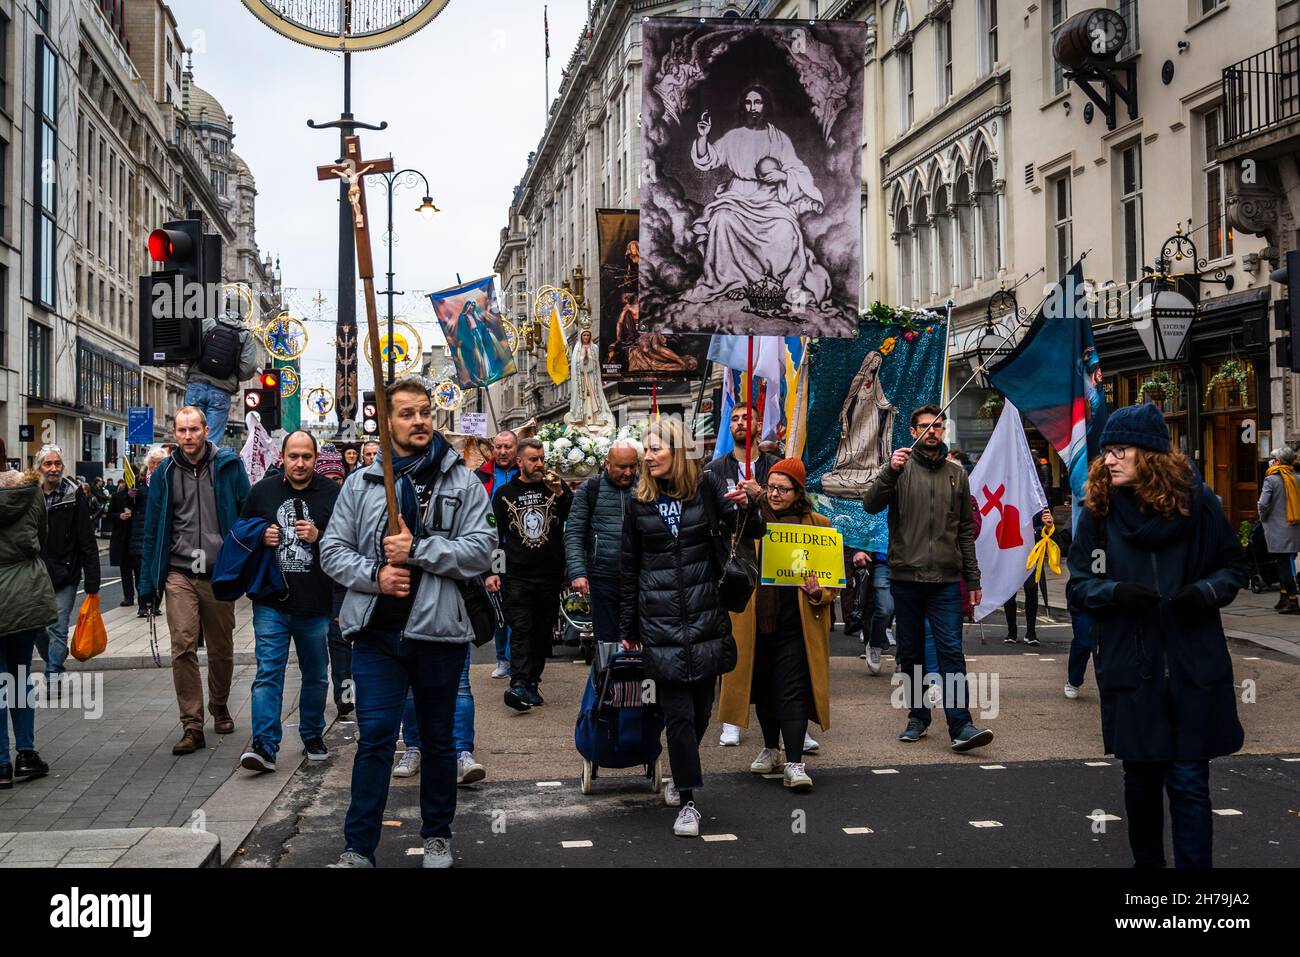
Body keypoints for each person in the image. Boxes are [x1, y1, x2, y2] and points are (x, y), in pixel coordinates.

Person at [319, 377, 495, 869]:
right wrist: (376, 574)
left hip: (439, 634)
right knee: (374, 738)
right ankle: (358, 848)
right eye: (407, 413)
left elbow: (481, 551)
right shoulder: (361, 483)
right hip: (376, 635)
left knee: (439, 740)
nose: (419, 421)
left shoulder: (461, 479)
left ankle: (437, 834)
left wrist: (419, 551)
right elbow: (332, 552)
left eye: (424, 412)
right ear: (387, 421)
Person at [1067, 403, 1248, 868]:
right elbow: (1080, 584)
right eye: (1106, 450)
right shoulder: (1098, 514)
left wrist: (1203, 593)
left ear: (1149, 454)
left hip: (1192, 663)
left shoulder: (1199, 504)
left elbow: (1234, 566)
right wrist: (1114, 592)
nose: (1109, 459)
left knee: (1189, 782)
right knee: (1141, 784)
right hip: (1133, 664)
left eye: (1120, 449)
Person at [619, 417, 760, 837]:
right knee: (678, 714)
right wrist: (628, 626)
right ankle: (688, 800)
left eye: (655, 448)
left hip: (705, 616)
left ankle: (678, 764)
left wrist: (750, 503)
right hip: (659, 622)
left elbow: (752, 532)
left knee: (700, 713)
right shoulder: (638, 501)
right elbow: (628, 567)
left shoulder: (708, 488)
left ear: (677, 450)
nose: (648, 456)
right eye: (646, 449)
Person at [863, 404, 993, 753]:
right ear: (912, 431)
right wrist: (889, 472)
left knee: (951, 651)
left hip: (947, 581)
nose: (930, 431)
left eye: (936, 425)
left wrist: (974, 579)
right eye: (924, 426)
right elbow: (870, 504)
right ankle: (918, 717)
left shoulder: (957, 474)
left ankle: (961, 724)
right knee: (911, 651)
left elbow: (965, 530)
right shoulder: (898, 468)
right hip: (906, 577)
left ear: (944, 430)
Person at [138, 407, 251, 756]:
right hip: (179, 572)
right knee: (183, 645)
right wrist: (147, 585)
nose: (188, 437)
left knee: (221, 647)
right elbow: (153, 530)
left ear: (206, 430)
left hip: (219, 573)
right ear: (175, 433)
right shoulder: (165, 473)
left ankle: (219, 704)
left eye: (194, 430)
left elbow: (247, 515)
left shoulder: (229, 466)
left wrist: (245, 563)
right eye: (181, 430)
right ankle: (192, 724)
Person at [718, 459, 834, 792]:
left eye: (783, 489)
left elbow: (833, 583)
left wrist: (819, 592)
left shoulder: (819, 525)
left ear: (799, 492)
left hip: (797, 624)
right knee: (765, 689)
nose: (775, 494)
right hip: (755, 620)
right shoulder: (749, 521)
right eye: (771, 487)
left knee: (793, 691)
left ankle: (795, 762)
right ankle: (771, 749)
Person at [237, 431, 338, 773]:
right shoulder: (262, 492)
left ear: (315, 458)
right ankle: (265, 746)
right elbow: (239, 533)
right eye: (293, 456)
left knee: (315, 675)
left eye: (306, 456)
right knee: (268, 673)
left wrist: (320, 536)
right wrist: (259, 535)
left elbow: (348, 543)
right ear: (282, 456)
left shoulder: (331, 493)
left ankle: (312, 734)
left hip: (315, 602)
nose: (299, 463)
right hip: (271, 601)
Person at [685, 85, 831, 311]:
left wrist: (782, 175)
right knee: (722, 219)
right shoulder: (733, 137)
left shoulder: (779, 138)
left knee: (785, 227)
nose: (753, 107)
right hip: (737, 196)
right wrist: (703, 137)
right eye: (748, 102)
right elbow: (709, 160)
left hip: (770, 198)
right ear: (743, 107)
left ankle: (774, 282)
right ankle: (735, 281)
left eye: (758, 102)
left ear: (765, 106)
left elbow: (797, 168)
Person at [707, 406, 781, 748]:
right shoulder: (715, 469)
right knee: (736, 640)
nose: (740, 423)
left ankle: (788, 719)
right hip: (735, 562)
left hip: (773, 557)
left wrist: (760, 496)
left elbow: (792, 502)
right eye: (734, 418)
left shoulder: (773, 467)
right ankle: (732, 719)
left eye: (746, 418)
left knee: (775, 643)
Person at [486, 438, 573, 712]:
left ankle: (533, 682)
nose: (539, 464)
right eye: (533, 459)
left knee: (541, 632)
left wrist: (560, 493)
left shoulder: (554, 488)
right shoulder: (503, 493)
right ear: (520, 462)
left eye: (541, 458)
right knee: (521, 628)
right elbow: (494, 536)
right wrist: (493, 571)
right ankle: (519, 683)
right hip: (517, 575)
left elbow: (575, 515)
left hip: (549, 573)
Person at [0, 440, 57, 789]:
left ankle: (0, 764)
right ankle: (25, 753)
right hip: (24, 590)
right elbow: (42, 535)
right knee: (20, 675)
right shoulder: (30, 492)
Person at [33, 446, 100, 691]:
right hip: (35, 575)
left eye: (57, 464)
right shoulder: (30, 495)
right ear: (39, 467)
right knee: (39, 629)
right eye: (48, 464)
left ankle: (53, 676)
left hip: (65, 573)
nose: (53, 468)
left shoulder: (74, 496)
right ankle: (52, 659)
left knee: (58, 626)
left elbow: (87, 539)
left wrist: (93, 581)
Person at [565, 441, 639, 645]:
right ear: (607, 463)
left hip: (640, 577)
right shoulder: (590, 489)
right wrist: (578, 572)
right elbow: (574, 533)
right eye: (622, 467)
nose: (628, 472)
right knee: (607, 640)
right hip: (604, 577)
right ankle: (605, 676)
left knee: (638, 638)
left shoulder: (645, 487)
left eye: (633, 466)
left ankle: (638, 677)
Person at [183, 315, 263, 445]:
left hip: (197, 384)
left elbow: (188, 346)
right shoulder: (246, 336)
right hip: (221, 391)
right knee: (211, 441)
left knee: (189, 435)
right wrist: (233, 375)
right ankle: (207, 464)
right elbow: (248, 368)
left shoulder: (209, 323)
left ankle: (189, 464)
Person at [477, 430, 518, 678]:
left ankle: (518, 658)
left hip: (521, 548)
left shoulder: (525, 471)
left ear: (516, 448)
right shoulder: (481, 475)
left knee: (520, 604)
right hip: (496, 549)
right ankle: (503, 658)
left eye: (508, 447)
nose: (503, 452)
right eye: (499, 447)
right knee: (500, 602)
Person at [1257, 446, 1300, 615]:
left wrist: (1262, 517)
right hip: (1294, 527)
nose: (1271, 461)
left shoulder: (1271, 480)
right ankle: (1283, 597)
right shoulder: (1297, 478)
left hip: (1277, 529)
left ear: (1279, 461)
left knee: (1283, 565)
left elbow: (1263, 503)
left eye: (1273, 458)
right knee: (1286, 563)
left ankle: (1291, 600)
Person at [1004, 508, 1053, 646]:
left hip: (1030, 554)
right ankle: (1011, 631)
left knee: (1031, 590)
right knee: (1009, 594)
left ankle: (1031, 632)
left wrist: (1043, 528)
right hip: (1010, 551)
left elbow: (1043, 527)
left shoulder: (1035, 499)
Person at [564, 328, 615, 434]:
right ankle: (582, 420)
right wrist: (583, 359)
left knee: (593, 399)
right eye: (584, 335)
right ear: (581, 336)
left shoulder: (594, 347)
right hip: (581, 379)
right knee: (583, 399)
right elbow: (575, 365)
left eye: (588, 335)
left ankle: (595, 420)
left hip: (592, 379)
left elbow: (596, 365)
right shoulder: (577, 348)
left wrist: (589, 358)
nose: (586, 337)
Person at [107, 478, 145, 608]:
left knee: (139, 570)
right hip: (122, 539)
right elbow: (109, 515)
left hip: (136, 537)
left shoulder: (140, 496)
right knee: (125, 570)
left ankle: (141, 597)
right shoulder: (118, 497)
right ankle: (128, 597)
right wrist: (119, 516)